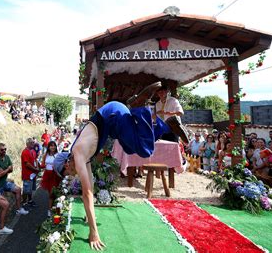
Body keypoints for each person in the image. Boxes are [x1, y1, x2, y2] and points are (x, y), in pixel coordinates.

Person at [53, 87, 188, 250]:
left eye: (67, 173)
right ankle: (166, 126)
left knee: (145, 150)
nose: (71, 175)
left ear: (66, 164)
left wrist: (93, 232)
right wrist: (88, 217)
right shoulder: (82, 158)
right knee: (131, 148)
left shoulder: (79, 154)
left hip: (113, 115)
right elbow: (91, 186)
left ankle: (139, 107)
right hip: (113, 119)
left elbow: (87, 193)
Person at [0, 143, 28, 215]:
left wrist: (5, 170)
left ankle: (18, 209)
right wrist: (7, 169)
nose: (4, 151)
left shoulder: (7, 157)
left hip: (4, 182)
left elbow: (11, 169)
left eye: (5, 149)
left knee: (18, 189)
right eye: (2, 150)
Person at [40, 141, 61, 217]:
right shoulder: (46, 155)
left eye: (54, 146)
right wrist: (38, 165)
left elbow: (61, 165)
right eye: (51, 146)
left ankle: (56, 209)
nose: (53, 147)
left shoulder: (58, 155)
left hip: (55, 175)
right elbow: (43, 164)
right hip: (47, 175)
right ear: (48, 147)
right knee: (50, 193)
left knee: (55, 193)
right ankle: (50, 210)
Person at [21, 138, 39, 207]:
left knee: (30, 189)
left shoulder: (33, 151)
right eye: (31, 143)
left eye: (33, 142)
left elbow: (36, 160)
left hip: (33, 174)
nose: (33, 144)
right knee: (26, 190)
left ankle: (30, 200)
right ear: (27, 144)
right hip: (27, 175)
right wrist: (35, 169)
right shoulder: (25, 152)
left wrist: (37, 167)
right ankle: (24, 203)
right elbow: (27, 164)